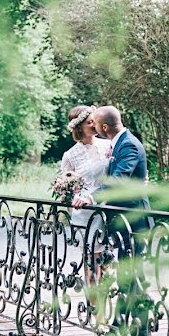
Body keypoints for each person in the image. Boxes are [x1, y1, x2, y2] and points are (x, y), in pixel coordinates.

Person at [77, 105, 154, 336]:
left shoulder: (128, 145)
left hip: (134, 219)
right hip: (125, 220)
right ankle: (142, 330)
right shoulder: (121, 143)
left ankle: (116, 335)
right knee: (133, 274)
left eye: (95, 123)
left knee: (129, 275)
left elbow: (119, 179)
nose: (93, 126)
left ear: (104, 127)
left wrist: (91, 197)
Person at [59, 105, 110, 285]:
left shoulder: (107, 144)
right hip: (87, 214)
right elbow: (66, 188)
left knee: (110, 268)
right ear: (79, 127)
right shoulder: (70, 155)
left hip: (110, 207)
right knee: (93, 272)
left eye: (95, 121)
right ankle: (94, 311)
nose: (95, 125)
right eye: (90, 122)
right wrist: (71, 198)